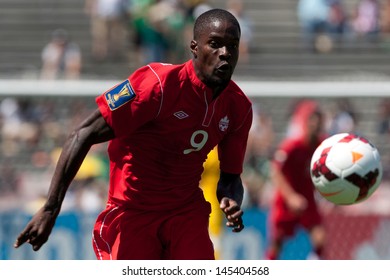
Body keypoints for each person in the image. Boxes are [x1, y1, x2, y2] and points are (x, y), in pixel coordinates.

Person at [14, 8, 253, 260]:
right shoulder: (157, 86)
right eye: (215, 44)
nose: (225, 53)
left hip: (185, 214)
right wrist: (51, 208)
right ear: (194, 47)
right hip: (133, 213)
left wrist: (231, 199)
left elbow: (230, 178)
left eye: (232, 45)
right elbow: (82, 134)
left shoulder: (238, 108)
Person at [266, 100, 327, 260]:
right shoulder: (292, 146)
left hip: (308, 199)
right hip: (286, 202)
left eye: (318, 120)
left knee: (320, 238)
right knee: (277, 243)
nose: (316, 124)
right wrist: (291, 197)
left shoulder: (323, 146)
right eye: (312, 120)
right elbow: (275, 171)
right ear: (305, 122)